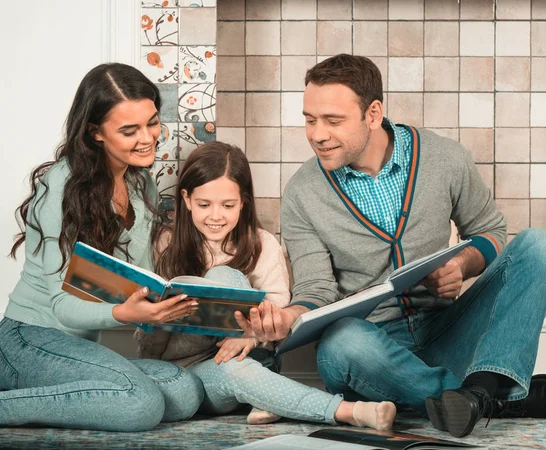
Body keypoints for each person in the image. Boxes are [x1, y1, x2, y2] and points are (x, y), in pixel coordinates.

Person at [239, 54, 546, 438]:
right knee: (341, 343)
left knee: (540, 245)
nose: (317, 134)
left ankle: (464, 396)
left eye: (333, 121)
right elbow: (317, 289)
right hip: (373, 348)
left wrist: (463, 265)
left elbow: (490, 232)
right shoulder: (302, 192)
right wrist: (288, 318)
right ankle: (490, 395)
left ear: (373, 113)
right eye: (309, 119)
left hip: (447, 326)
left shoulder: (444, 157)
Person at [135, 142, 397, 430]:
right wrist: (153, 321)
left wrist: (251, 334)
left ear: (244, 202)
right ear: (186, 199)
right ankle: (267, 397)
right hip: (190, 369)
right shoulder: (165, 243)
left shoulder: (263, 245)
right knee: (226, 373)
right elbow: (151, 342)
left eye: (228, 205)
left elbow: (277, 316)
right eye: (204, 204)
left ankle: (350, 412)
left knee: (224, 278)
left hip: (250, 354)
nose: (215, 216)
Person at [0, 63, 204, 431]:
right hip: (28, 338)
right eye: (130, 130)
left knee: (184, 390)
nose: (149, 138)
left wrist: (176, 303)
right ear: (96, 133)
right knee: (140, 404)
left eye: (152, 122)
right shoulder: (60, 185)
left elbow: (134, 281)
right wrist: (129, 314)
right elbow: (63, 308)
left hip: (79, 347)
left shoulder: (142, 183)